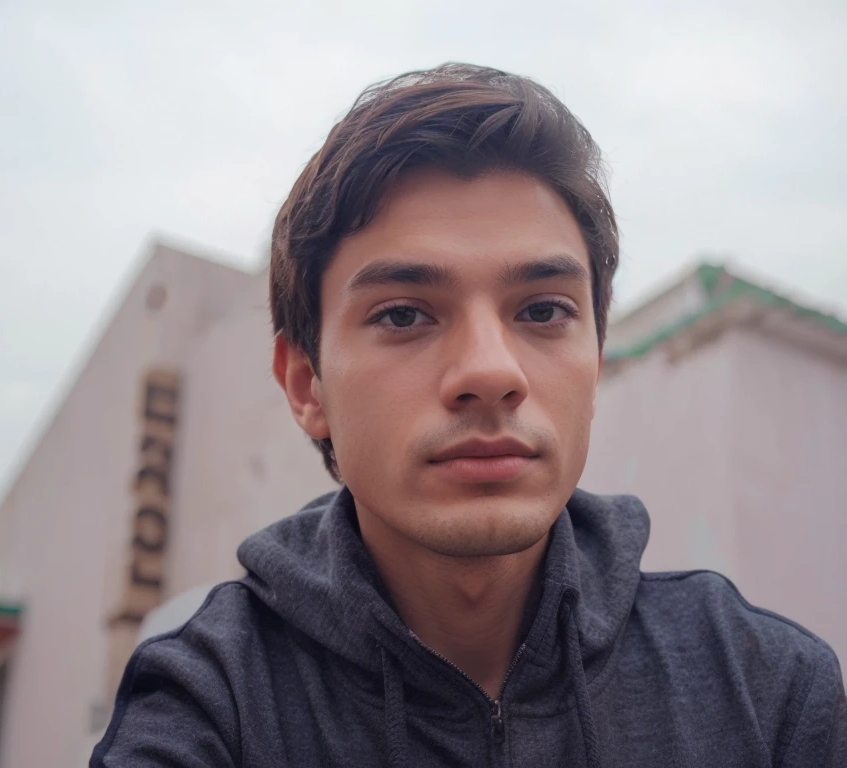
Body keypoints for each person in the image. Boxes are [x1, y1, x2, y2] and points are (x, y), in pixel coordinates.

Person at [91, 64, 846, 767]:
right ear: (304, 384)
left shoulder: (766, 690)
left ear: (598, 356)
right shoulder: (212, 704)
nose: (491, 372)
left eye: (544, 310)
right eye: (404, 315)